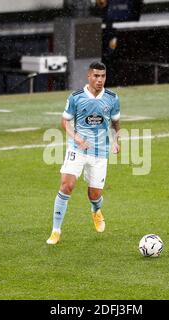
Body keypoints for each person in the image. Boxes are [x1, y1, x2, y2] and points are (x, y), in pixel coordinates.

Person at [46, 61, 121, 245]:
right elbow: (64, 122)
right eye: (96, 76)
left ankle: (96, 210)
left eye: (103, 76)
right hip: (77, 149)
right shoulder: (76, 97)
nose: (99, 80)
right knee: (66, 185)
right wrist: (76, 136)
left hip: (100, 152)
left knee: (94, 195)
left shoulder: (112, 98)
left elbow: (115, 122)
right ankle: (56, 230)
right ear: (88, 76)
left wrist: (116, 141)